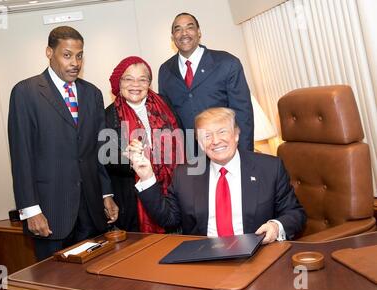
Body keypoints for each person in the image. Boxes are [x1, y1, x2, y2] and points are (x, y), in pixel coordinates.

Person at [8, 26, 118, 260]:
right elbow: (21, 156)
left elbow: (97, 151)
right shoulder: (25, 92)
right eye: (67, 55)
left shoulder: (92, 94)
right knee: (57, 286)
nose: (75, 62)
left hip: (91, 211)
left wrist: (105, 194)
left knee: (95, 282)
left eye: (79, 55)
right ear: (49, 52)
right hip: (50, 212)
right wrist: (30, 210)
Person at [125, 107, 306, 244]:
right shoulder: (184, 174)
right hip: (204, 259)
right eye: (207, 136)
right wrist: (147, 177)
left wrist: (276, 226)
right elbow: (169, 220)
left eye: (222, 132)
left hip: (258, 254)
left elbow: (294, 213)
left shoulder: (269, 167)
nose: (215, 141)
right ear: (200, 143)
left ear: (236, 134)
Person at [105, 56, 184, 232]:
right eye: (129, 79)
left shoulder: (165, 103)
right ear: (119, 83)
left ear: (149, 83)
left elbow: (183, 140)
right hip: (134, 197)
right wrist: (129, 159)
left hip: (175, 190)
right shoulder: (109, 115)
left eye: (142, 79)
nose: (136, 84)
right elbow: (107, 158)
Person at [158, 12, 254, 151]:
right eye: (178, 29)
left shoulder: (227, 63)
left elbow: (243, 113)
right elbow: (167, 118)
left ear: (199, 32)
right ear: (173, 37)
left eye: (189, 27)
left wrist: (245, 156)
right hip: (190, 156)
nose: (184, 33)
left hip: (224, 148)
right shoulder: (165, 70)